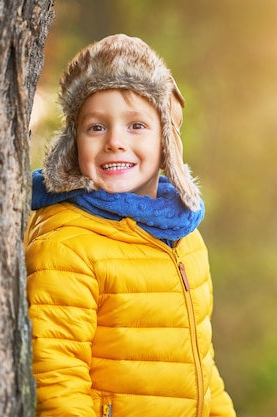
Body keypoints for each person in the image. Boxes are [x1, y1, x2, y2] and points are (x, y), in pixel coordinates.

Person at [24, 33, 236, 417]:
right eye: (96, 127)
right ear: (73, 143)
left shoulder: (185, 235)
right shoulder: (67, 246)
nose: (115, 141)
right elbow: (58, 382)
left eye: (136, 125)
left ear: (166, 141)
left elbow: (203, 363)